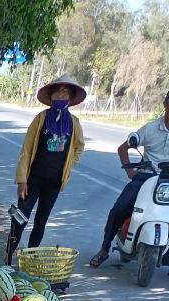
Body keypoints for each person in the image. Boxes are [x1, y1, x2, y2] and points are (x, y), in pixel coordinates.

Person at [89, 90, 169, 267]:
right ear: (165, 105)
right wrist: (130, 172)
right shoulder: (150, 129)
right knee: (120, 207)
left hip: (168, 181)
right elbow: (122, 148)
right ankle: (104, 249)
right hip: (147, 177)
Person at [12, 77, 86, 252]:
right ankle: (8, 255)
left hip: (54, 182)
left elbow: (79, 147)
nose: (62, 93)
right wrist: (22, 180)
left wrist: (69, 165)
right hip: (32, 180)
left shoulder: (74, 123)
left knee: (41, 221)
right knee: (19, 218)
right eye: (59, 90)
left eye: (66, 91)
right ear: (52, 94)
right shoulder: (41, 118)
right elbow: (26, 150)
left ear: (70, 96)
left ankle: (30, 256)